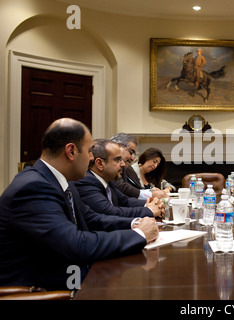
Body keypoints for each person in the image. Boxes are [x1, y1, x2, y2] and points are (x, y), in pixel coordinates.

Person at [0, 118, 158, 290]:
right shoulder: (33, 187)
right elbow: (76, 245)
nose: (91, 158)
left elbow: (92, 218)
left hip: (68, 271)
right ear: (71, 151)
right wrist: (140, 235)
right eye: (89, 151)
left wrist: (135, 223)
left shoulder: (61, 181)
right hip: (41, 287)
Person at [74, 139, 164, 218]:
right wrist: (149, 210)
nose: (123, 164)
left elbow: (125, 201)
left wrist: (150, 204)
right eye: (117, 160)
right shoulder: (86, 181)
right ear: (100, 163)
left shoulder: (108, 180)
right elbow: (110, 212)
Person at [111, 133, 166, 200]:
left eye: (157, 164)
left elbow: (127, 198)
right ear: (118, 146)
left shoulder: (125, 168)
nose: (133, 158)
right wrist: (151, 195)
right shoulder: (128, 169)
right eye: (131, 152)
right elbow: (123, 188)